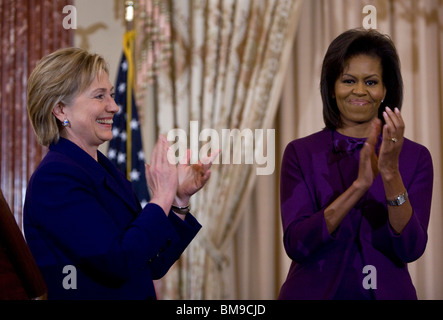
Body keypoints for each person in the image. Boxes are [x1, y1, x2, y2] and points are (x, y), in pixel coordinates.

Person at [24, 47, 215, 300]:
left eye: (112, 95)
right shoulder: (56, 178)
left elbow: (151, 264)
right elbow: (117, 262)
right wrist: (162, 196)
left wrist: (177, 200)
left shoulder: (104, 170)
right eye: (99, 96)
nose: (114, 106)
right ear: (60, 110)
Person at [278, 28, 433, 300]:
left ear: (385, 90)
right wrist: (359, 186)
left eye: (371, 82)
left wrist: (390, 174)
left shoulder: (416, 157)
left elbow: (411, 249)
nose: (360, 91)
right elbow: (297, 244)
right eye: (348, 80)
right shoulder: (301, 153)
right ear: (332, 88)